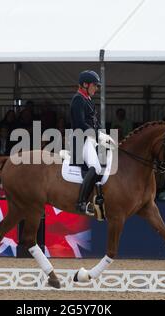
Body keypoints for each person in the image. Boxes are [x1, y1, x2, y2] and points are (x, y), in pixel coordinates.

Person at [70, 70, 115, 214]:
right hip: (82, 140)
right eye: (94, 85)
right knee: (95, 167)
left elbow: (95, 122)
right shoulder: (78, 99)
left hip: (91, 139)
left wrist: (104, 135)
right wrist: (99, 136)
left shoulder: (87, 99)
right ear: (85, 84)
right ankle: (81, 203)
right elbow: (81, 123)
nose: (96, 88)